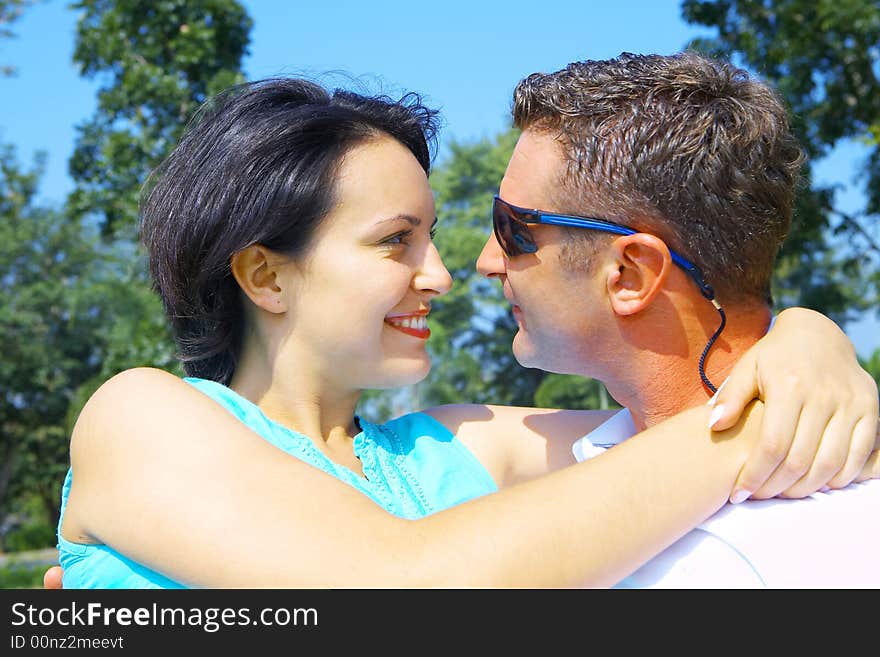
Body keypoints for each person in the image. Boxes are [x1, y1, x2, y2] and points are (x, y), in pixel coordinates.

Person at [47, 75, 877, 589]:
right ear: (265, 274)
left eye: (434, 234)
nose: (443, 273)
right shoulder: (138, 419)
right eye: (393, 241)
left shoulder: (456, 448)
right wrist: (755, 431)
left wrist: (806, 337)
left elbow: (677, 405)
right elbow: (397, 587)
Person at [455, 51, 879, 587]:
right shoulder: (606, 455)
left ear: (631, 274)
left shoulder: (740, 562)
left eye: (514, 229)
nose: (487, 261)